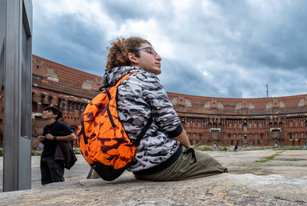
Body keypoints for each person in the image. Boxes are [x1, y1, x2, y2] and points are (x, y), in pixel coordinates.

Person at [99, 36, 227, 181]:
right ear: (133, 57)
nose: (159, 57)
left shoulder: (111, 85)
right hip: (162, 162)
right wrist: (189, 150)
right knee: (219, 170)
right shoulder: (145, 78)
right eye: (150, 52)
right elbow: (173, 127)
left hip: (137, 167)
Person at [38, 106, 77, 185]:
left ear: (54, 115)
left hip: (55, 157)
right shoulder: (46, 127)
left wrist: (54, 137)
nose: (44, 112)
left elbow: (73, 136)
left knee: (57, 181)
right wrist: (42, 140)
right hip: (45, 156)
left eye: (48, 111)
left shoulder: (61, 125)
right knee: (45, 181)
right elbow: (48, 141)